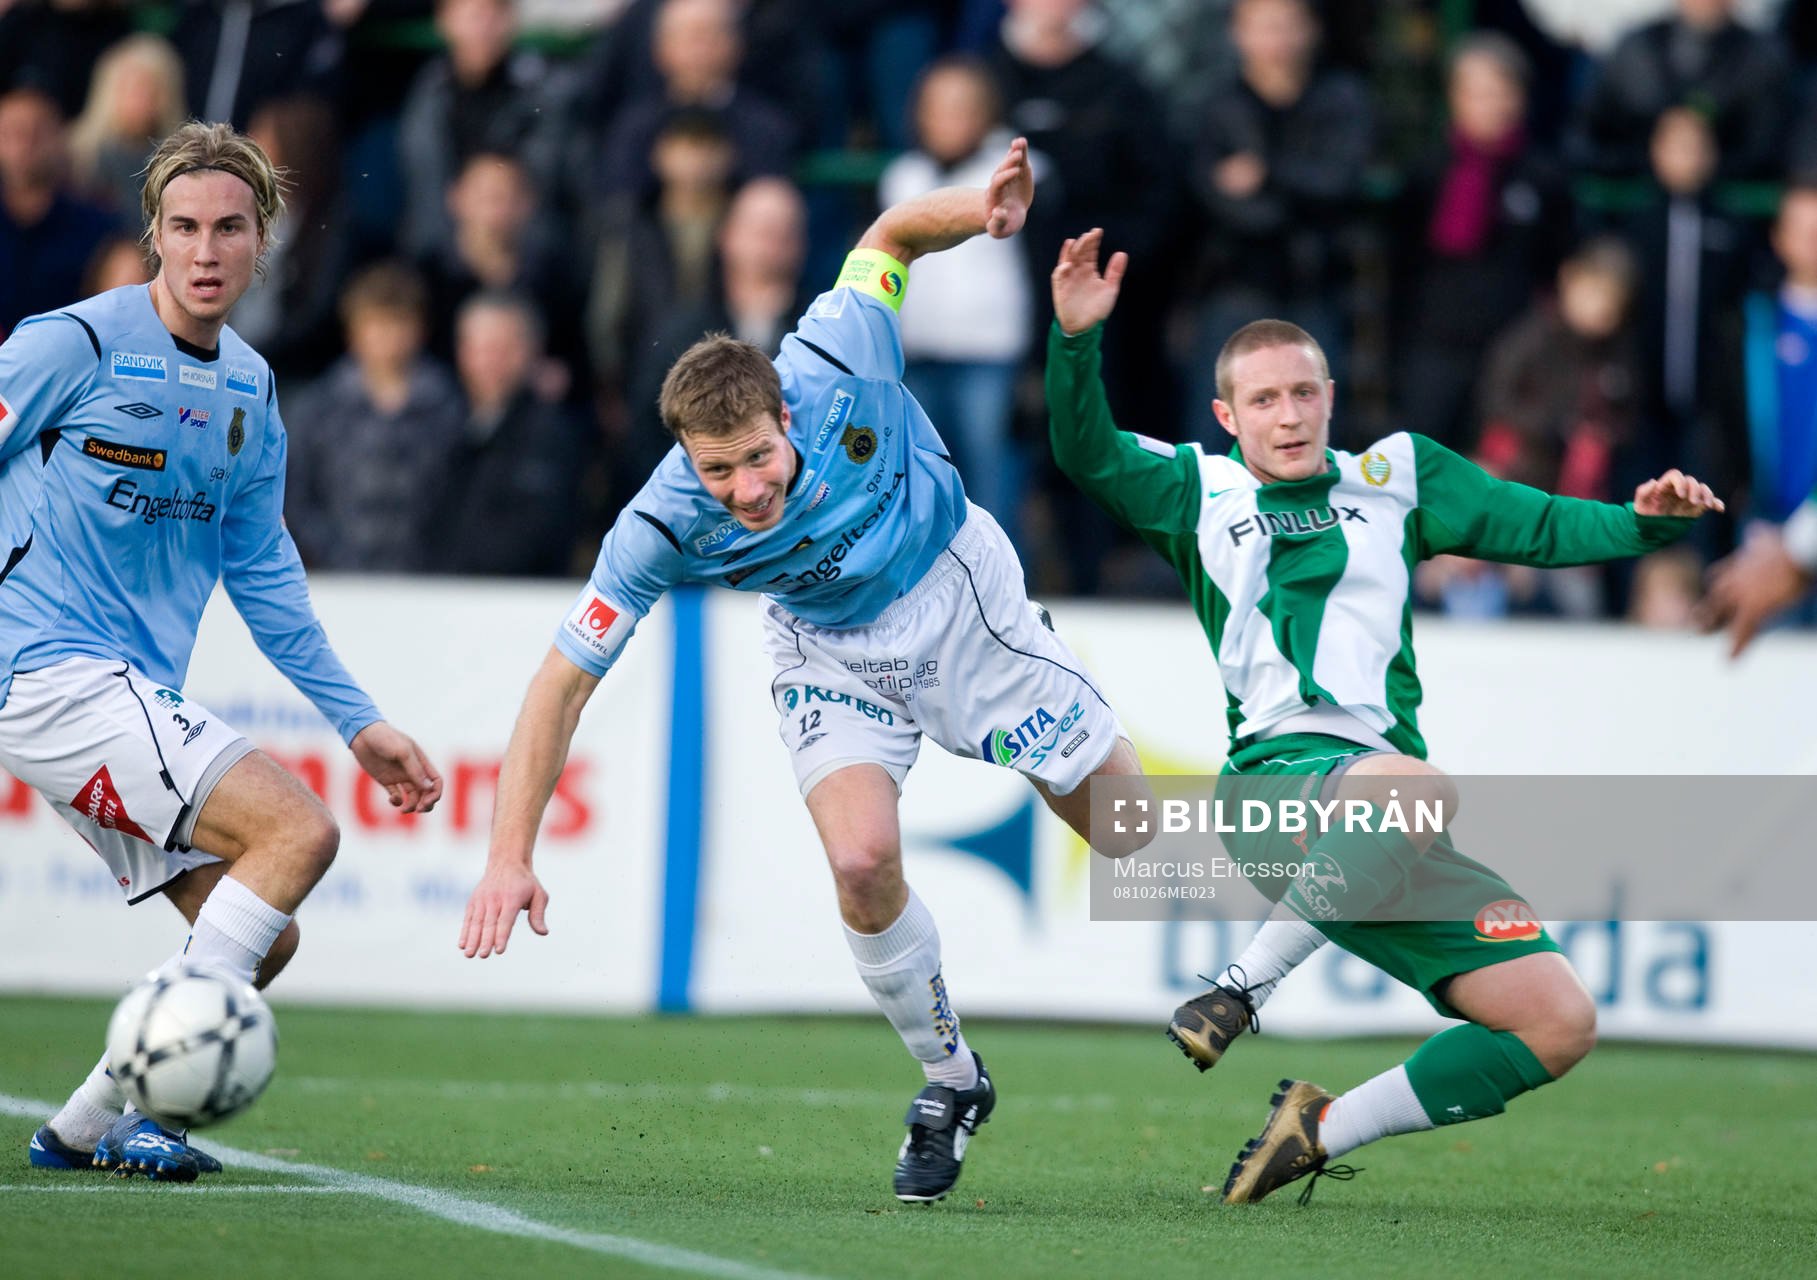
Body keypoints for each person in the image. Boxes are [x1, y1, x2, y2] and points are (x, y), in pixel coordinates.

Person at [459, 139, 1150, 1204]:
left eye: (755, 457)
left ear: (786, 416)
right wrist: (509, 853)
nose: (740, 488)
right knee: (863, 860)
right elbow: (561, 679)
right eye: (714, 468)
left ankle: (1400, 876)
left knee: (1144, 844)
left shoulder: (835, 354)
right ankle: (950, 1077)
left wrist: (984, 210)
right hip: (824, 643)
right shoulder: (660, 519)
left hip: (954, 596)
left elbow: (890, 237)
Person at [1044, 228, 1721, 1204]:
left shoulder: (1395, 475)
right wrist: (1074, 341)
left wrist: (1643, 519)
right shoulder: (1198, 488)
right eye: (1264, 399)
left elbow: (1529, 522)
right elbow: (1084, 451)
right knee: (1417, 787)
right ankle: (1237, 989)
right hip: (1277, 789)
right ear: (1224, 413)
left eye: (1304, 392)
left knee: (1554, 1019)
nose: (1288, 415)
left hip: (1379, 817)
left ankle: (1318, 1125)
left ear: (1329, 394)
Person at [0, 122, 443, 1182]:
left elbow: (265, 576)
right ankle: (158, 1112)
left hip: (123, 692)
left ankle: (79, 1128)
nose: (206, 249)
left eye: (229, 229)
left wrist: (359, 718)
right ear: (152, 234)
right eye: (185, 226)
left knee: (262, 936)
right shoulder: (73, 342)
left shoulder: (249, 388)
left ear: (263, 243)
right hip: (50, 670)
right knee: (297, 827)